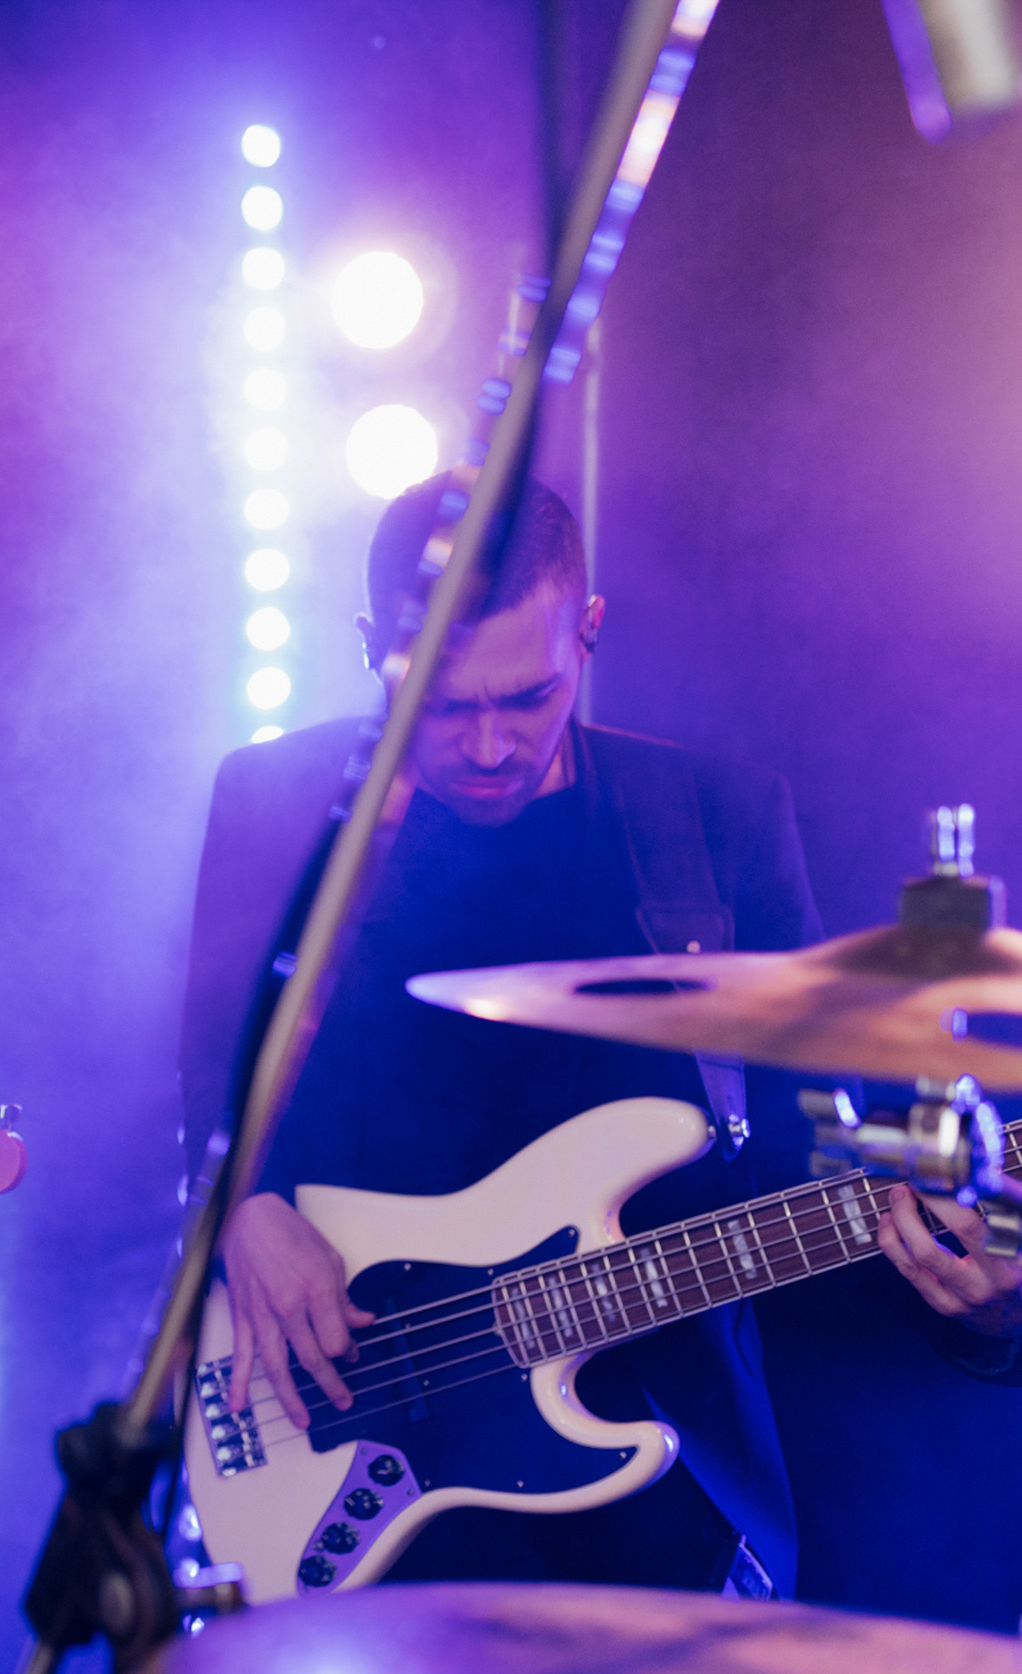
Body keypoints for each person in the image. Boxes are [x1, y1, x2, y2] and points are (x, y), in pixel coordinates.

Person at [181, 472, 1022, 1601]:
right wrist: (245, 1201)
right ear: (373, 647)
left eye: (525, 698)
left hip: (654, 1502)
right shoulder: (278, 806)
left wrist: (981, 1303)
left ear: (588, 632)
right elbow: (210, 1070)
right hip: (345, 1450)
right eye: (441, 700)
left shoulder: (713, 826)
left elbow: (803, 1159)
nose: (485, 744)